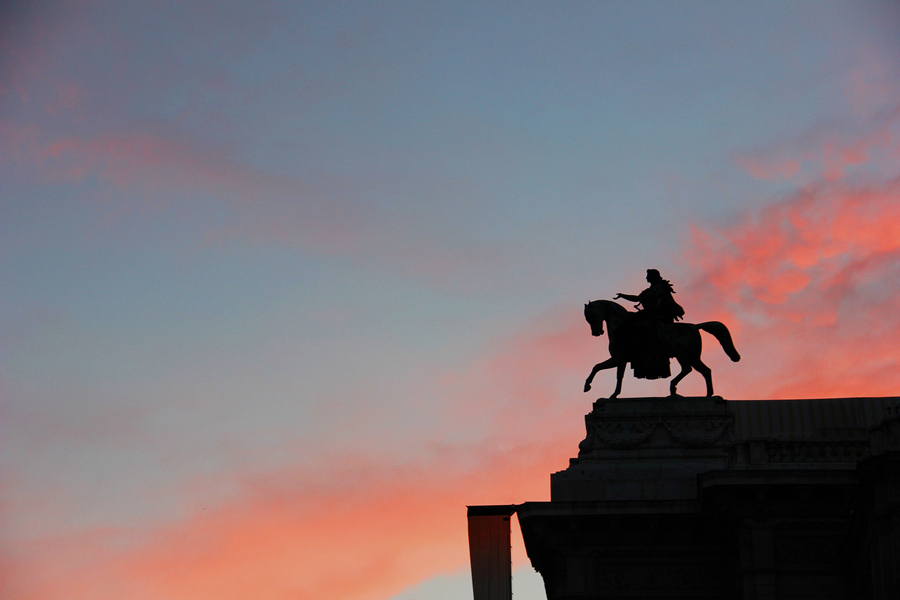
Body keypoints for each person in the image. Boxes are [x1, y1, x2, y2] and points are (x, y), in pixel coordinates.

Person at [614, 269, 685, 379]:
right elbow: (636, 298)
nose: (646, 278)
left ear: (654, 276)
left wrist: (648, 312)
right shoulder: (648, 291)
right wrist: (623, 295)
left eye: (648, 276)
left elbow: (661, 303)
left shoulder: (660, 287)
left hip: (659, 317)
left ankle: (652, 355)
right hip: (651, 315)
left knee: (643, 327)